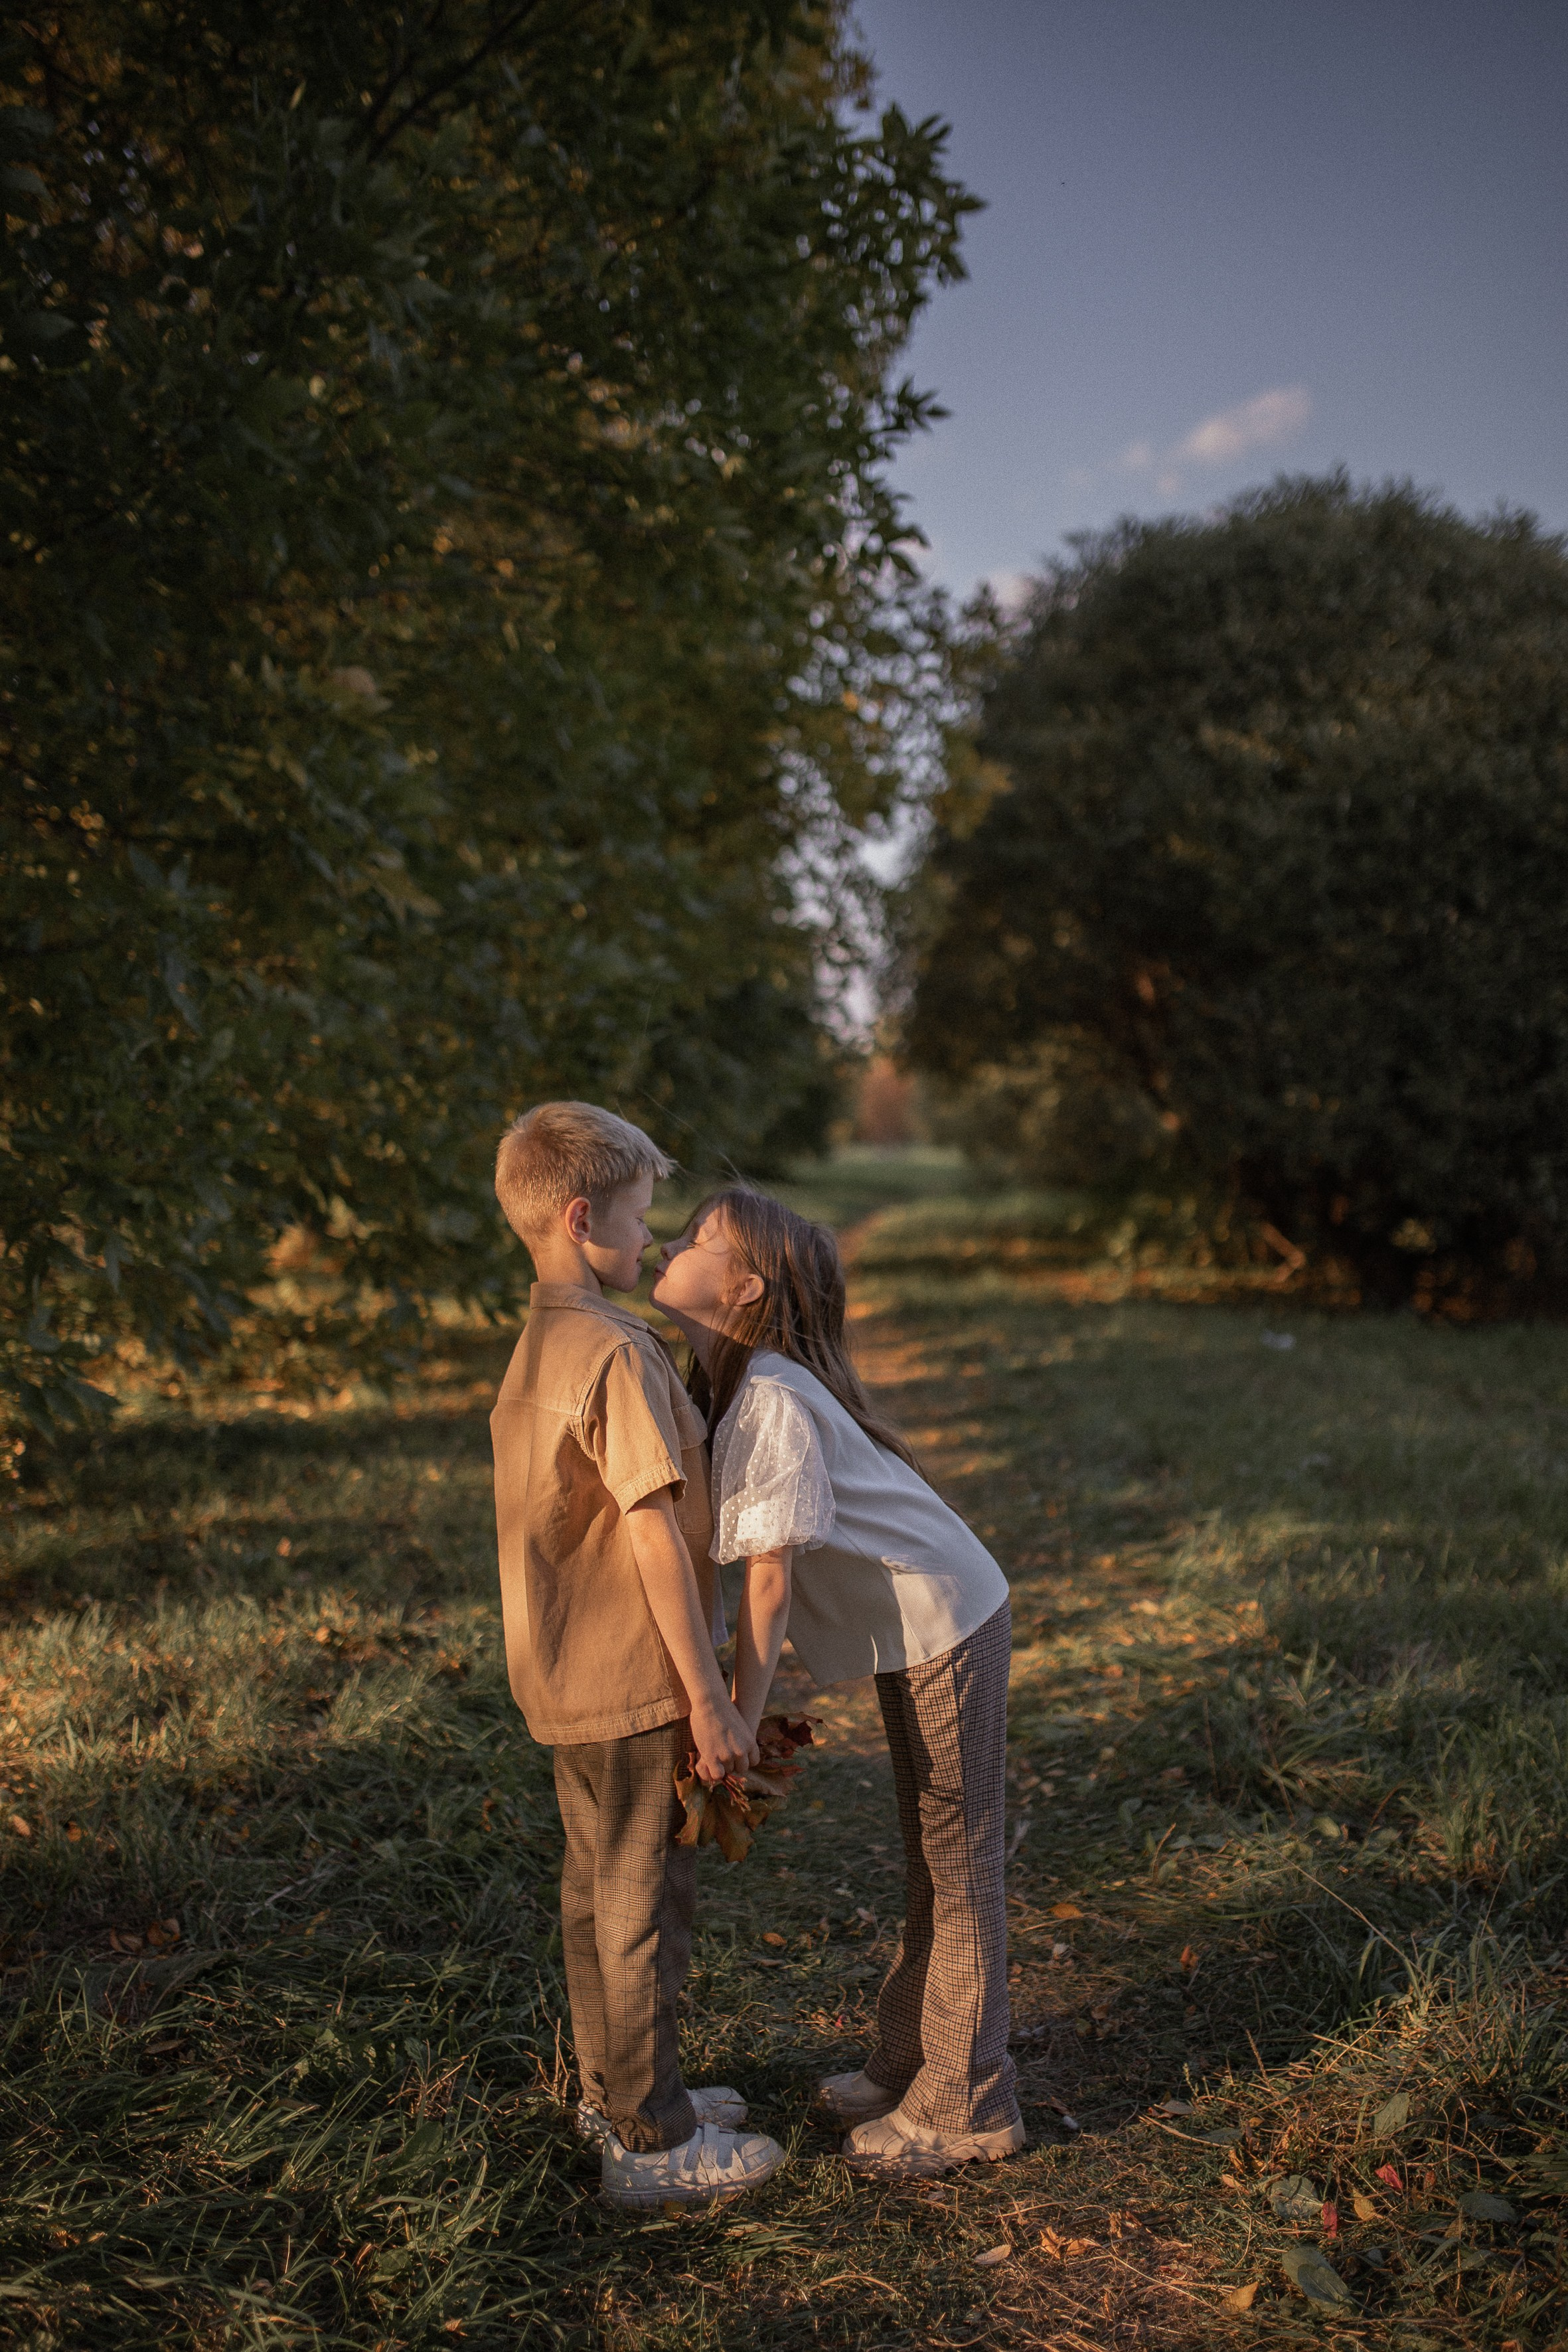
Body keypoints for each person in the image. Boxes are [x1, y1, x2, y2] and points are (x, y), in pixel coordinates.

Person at [650, 1188, 1024, 2180]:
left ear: (742, 1287)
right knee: (930, 1854)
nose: (671, 1243)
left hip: (950, 1620)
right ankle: (911, 2058)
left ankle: (969, 2103)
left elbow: (766, 1579)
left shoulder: (767, 1397)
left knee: (958, 1862)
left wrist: (729, 1707)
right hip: (928, 1625)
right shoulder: (740, 1383)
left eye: (697, 1239)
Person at [489, 1104, 784, 2208]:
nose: (653, 1243)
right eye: (639, 1219)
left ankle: (620, 2087)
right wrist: (709, 1698)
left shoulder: (542, 1342)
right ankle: (651, 2142)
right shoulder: (613, 1352)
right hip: (630, 1681)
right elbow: (654, 1533)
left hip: (565, 1677)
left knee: (595, 1894)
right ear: (579, 1217)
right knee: (640, 1902)